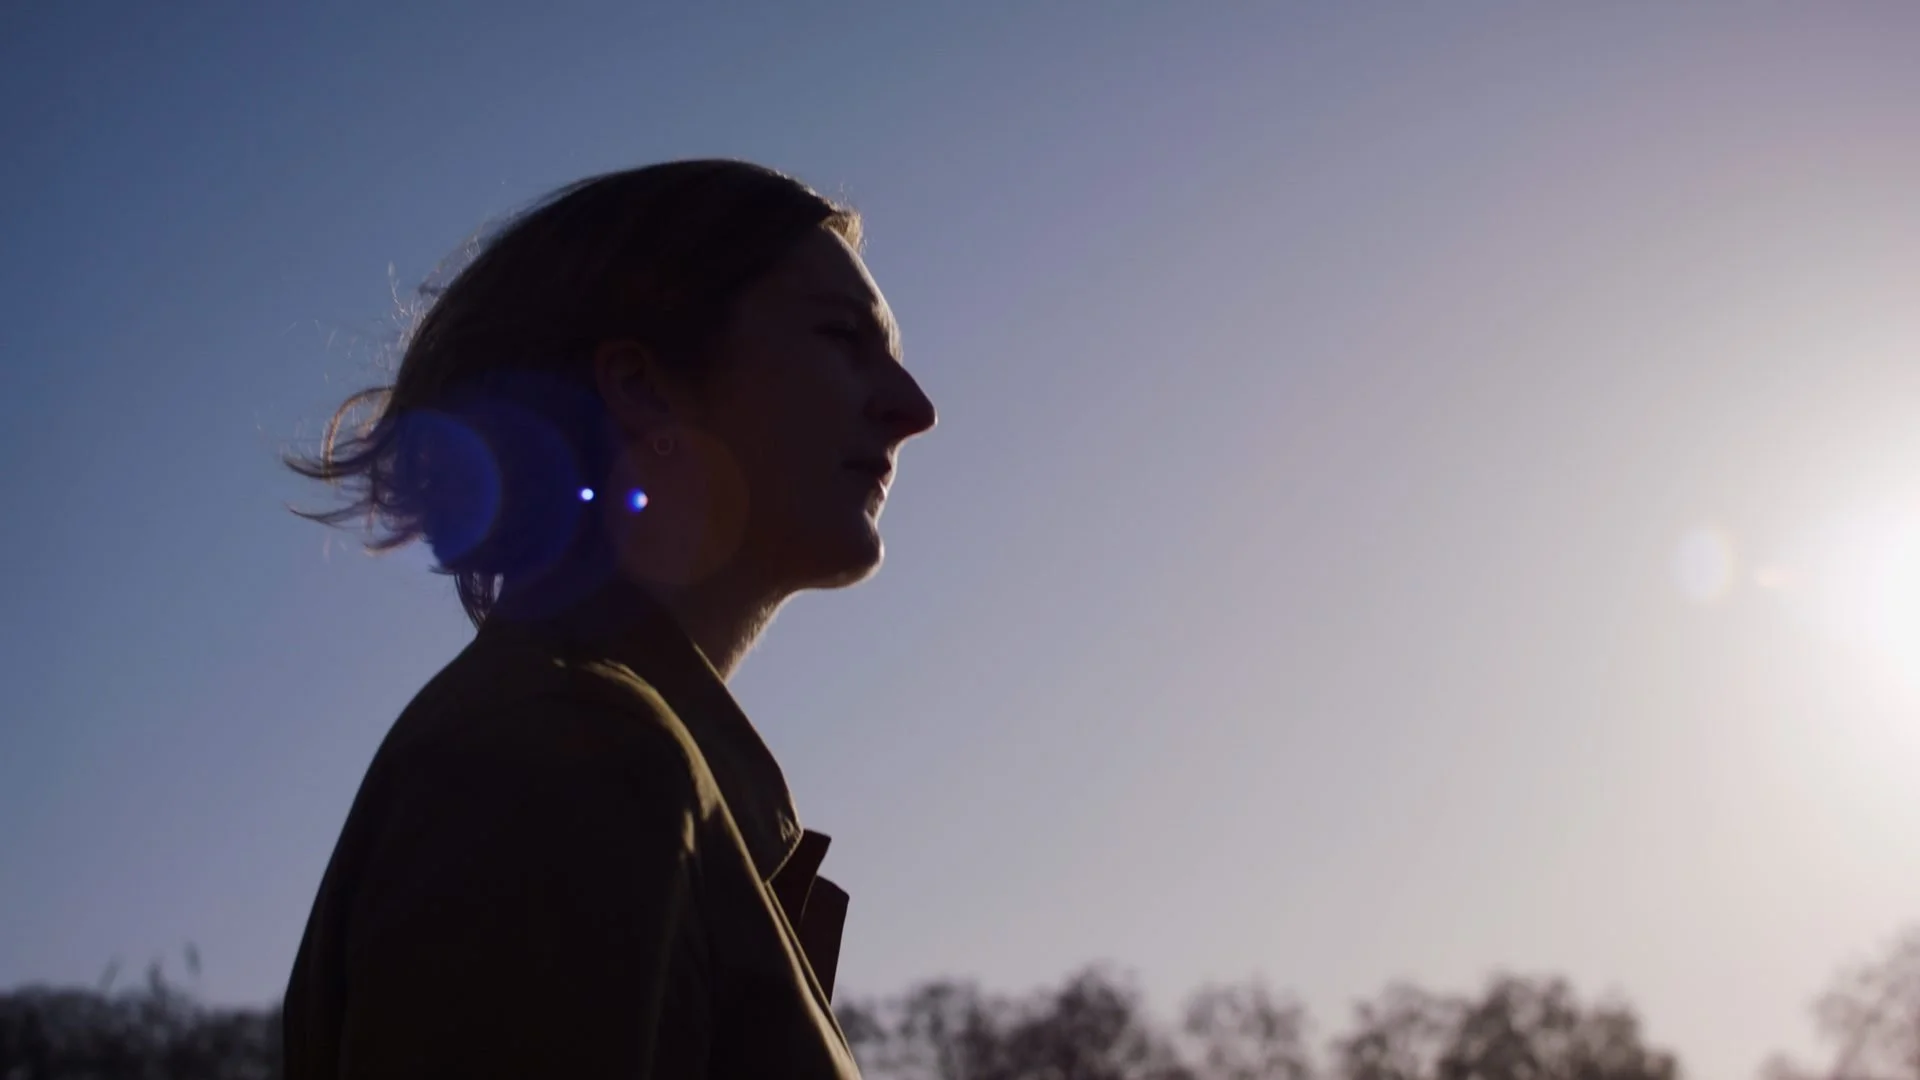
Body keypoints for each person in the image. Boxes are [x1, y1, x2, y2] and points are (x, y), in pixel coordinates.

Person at [280, 159, 937, 1078]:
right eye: (841, 338)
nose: (913, 409)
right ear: (642, 385)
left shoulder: (594, 753)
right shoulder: (560, 754)